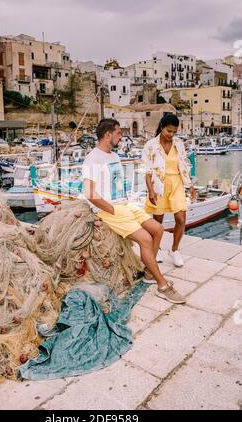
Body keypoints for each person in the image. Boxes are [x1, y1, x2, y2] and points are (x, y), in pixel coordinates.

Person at [82, 118, 186, 304]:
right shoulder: (93, 158)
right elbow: (89, 192)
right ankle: (162, 285)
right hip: (110, 209)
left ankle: (148, 272)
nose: (121, 136)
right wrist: (111, 209)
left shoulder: (113, 156)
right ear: (108, 135)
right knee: (145, 238)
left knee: (158, 229)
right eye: (118, 133)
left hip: (124, 204)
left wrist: (125, 205)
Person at [143, 113, 196, 268]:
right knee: (158, 222)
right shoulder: (150, 145)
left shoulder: (178, 143)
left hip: (177, 183)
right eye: (168, 131)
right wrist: (151, 191)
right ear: (161, 128)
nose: (171, 135)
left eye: (174, 132)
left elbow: (184, 166)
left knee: (180, 218)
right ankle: (157, 248)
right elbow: (147, 171)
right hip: (159, 184)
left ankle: (174, 250)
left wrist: (190, 186)